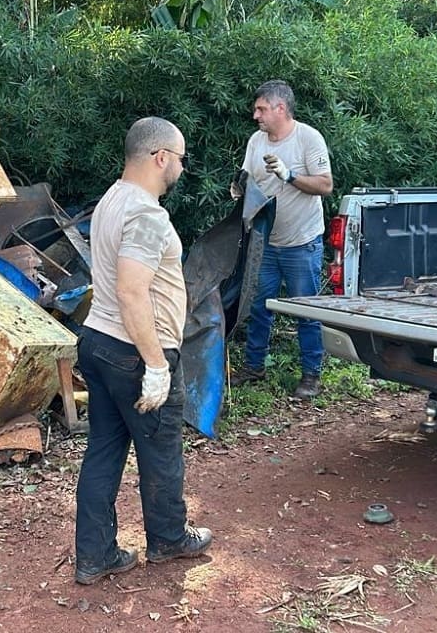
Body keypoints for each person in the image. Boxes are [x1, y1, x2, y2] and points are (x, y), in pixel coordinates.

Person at [73, 116, 213, 585]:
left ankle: (94, 556)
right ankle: (169, 540)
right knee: (161, 453)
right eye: (181, 159)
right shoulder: (147, 215)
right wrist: (156, 365)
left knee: (103, 451)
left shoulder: (112, 200)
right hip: (135, 353)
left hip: (99, 341)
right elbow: (132, 292)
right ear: (161, 157)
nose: (182, 168)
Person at [230, 80, 334, 399]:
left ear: (280, 108)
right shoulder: (256, 141)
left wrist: (288, 175)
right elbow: (247, 179)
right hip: (266, 242)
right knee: (259, 306)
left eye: (261, 109)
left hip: (301, 242)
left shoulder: (308, 138)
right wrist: (239, 189)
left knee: (306, 309)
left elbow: (325, 185)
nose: (255, 115)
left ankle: (311, 376)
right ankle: (254, 367)